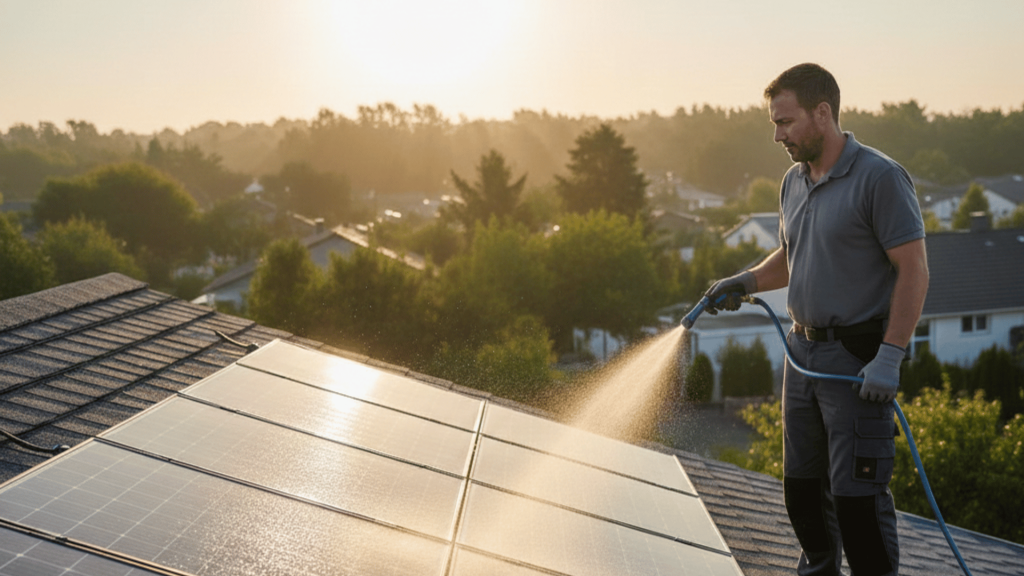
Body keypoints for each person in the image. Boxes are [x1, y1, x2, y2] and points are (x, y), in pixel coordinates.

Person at [704, 63, 929, 576]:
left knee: (857, 502)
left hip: (855, 360)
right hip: (800, 356)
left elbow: (913, 271)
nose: (778, 135)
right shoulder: (794, 181)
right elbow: (791, 254)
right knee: (802, 492)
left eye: (785, 122)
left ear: (822, 114)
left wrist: (889, 357)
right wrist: (744, 282)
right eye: (774, 125)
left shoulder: (880, 177)